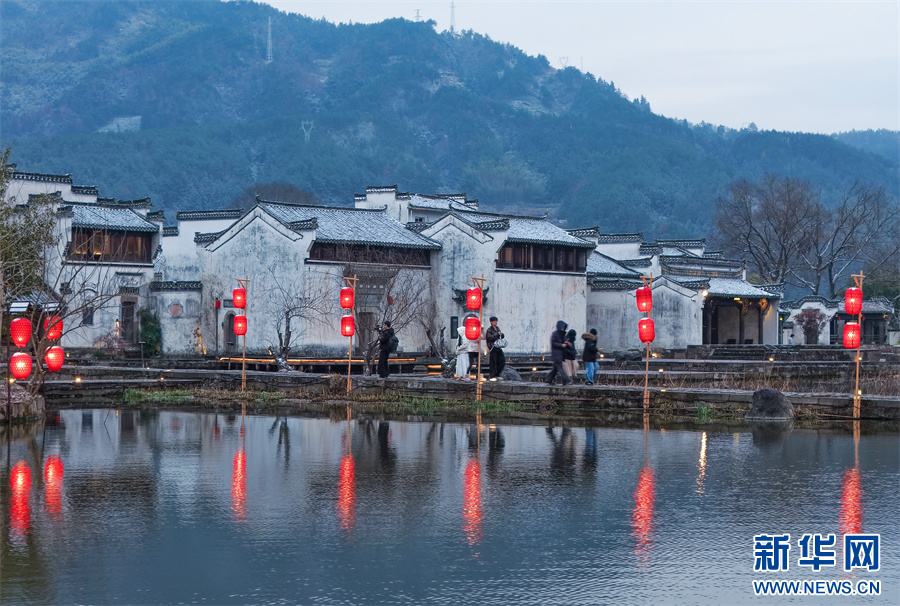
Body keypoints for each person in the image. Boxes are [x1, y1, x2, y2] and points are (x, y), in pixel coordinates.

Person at [546, 320, 571, 385]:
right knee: (560, 368)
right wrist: (561, 345)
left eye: (563, 327)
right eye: (562, 327)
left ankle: (549, 380)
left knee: (555, 369)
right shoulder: (555, 334)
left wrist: (566, 343)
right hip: (556, 354)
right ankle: (567, 380)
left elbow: (563, 341)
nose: (563, 328)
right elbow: (553, 343)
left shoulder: (562, 334)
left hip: (560, 354)